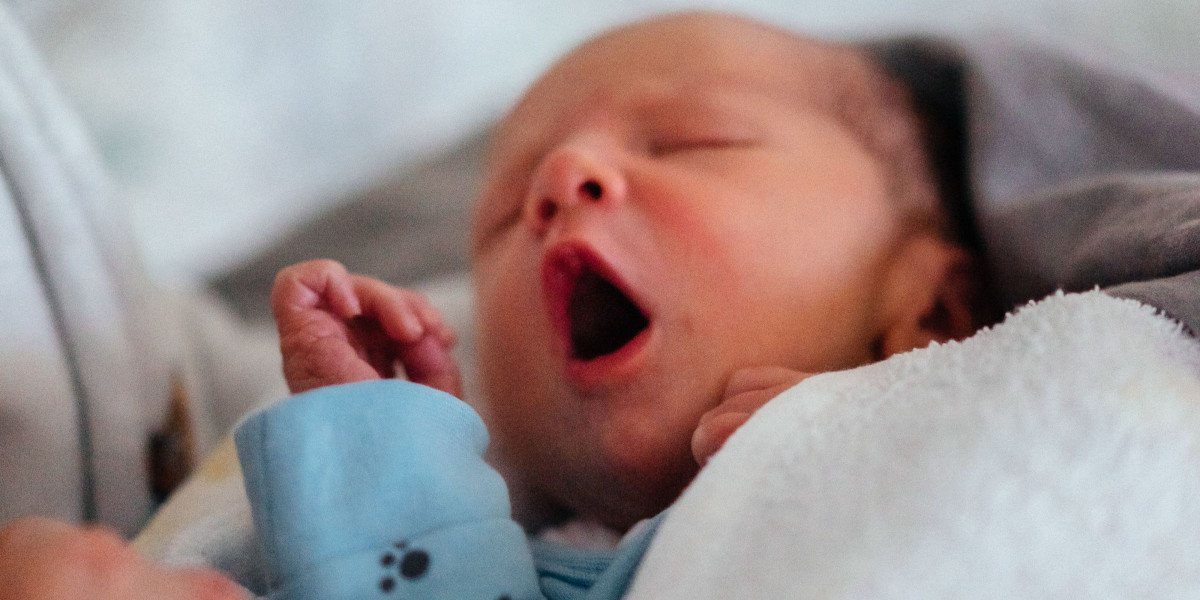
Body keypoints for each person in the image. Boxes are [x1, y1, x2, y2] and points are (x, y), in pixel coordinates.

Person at [0, 11, 978, 599]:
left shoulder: (1030, 423)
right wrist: (388, 438)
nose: (561, 177)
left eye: (690, 141)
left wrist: (868, 440)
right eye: (505, 216)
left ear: (934, 305)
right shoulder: (571, 560)